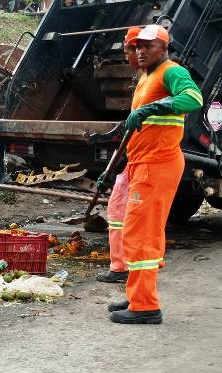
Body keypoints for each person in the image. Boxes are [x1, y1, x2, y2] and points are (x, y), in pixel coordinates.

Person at [108, 25, 203, 324]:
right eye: (137, 45)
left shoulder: (171, 72)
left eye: (148, 45)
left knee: (141, 233)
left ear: (164, 47)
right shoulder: (147, 76)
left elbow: (193, 98)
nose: (140, 50)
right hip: (143, 164)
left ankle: (145, 306)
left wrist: (155, 106)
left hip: (157, 165)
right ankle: (138, 294)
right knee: (139, 230)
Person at [89, 26, 141, 284]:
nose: (127, 56)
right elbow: (132, 133)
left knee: (136, 217)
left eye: (128, 50)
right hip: (133, 159)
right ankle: (119, 267)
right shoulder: (143, 80)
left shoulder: (165, 76)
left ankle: (135, 273)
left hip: (148, 162)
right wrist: (113, 171)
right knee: (118, 210)